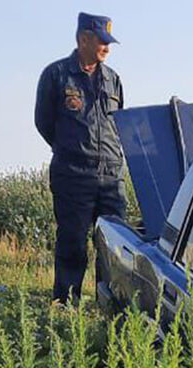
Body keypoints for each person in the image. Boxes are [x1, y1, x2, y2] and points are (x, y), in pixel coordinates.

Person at [34, 12, 126, 303]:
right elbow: (43, 122)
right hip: (73, 174)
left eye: (108, 43)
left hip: (111, 175)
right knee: (72, 243)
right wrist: (71, 149)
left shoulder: (113, 79)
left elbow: (119, 123)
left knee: (113, 246)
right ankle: (66, 305)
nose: (107, 49)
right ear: (83, 38)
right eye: (102, 42)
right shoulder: (57, 74)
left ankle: (109, 304)